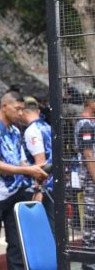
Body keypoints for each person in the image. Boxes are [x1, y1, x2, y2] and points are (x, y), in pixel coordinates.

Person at [0, 91, 48, 270]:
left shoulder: (15, 131)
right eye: (17, 109)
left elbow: (21, 160)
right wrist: (28, 170)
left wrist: (35, 172)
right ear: (4, 107)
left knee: (16, 243)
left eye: (22, 109)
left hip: (15, 193)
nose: (20, 113)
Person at [21, 96, 54, 233]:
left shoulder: (32, 131)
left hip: (43, 185)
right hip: (53, 183)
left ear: (23, 112)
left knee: (43, 228)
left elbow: (41, 162)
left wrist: (39, 189)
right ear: (38, 111)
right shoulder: (47, 126)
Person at [74, 88, 95, 269]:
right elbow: (88, 156)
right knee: (91, 219)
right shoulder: (86, 124)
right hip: (91, 180)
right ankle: (88, 263)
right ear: (90, 103)